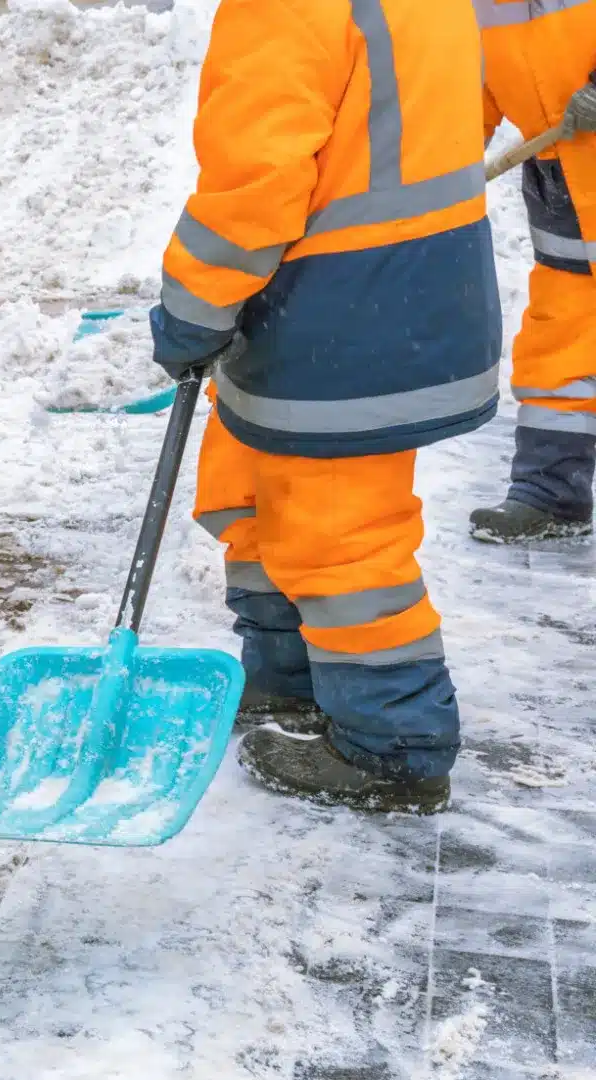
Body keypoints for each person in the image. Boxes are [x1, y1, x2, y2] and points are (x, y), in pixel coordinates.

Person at [149, 0, 500, 813]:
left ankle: (393, 748)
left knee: (340, 537)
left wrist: (191, 311)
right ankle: (287, 675)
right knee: (251, 482)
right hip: (364, 302)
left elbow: (254, 183)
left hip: (349, 308)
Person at [470, 14, 596, 544]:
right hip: (561, 183)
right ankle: (550, 494)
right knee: (559, 341)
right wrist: (431, 171)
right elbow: (463, 93)